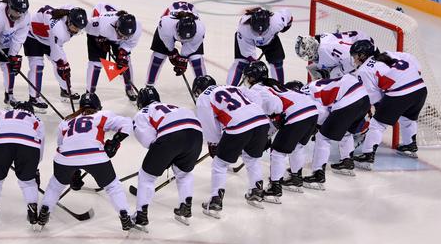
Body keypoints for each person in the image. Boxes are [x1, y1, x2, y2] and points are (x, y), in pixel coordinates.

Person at [37, 93, 135, 231]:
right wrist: (114, 142)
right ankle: (125, 215)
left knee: (55, 185)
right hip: (95, 156)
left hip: (64, 158)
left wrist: (73, 173)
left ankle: (44, 211)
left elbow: (62, 144)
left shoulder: (66, 121)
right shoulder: (102, 115)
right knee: (112, 186)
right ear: (98, 106)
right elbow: (127, 124)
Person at [240, 62, 319, 203]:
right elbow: (276, 115)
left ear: (252, 77)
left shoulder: (257, 88)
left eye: (248, 77)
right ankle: (296, 178)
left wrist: (267, 132)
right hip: (311, 111)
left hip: (297, 115)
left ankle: (275, 189)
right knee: (297, 147)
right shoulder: (271, 84)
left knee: (277, 152)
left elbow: (276, 107)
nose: (247, 80)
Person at [192, 75, 270, 213]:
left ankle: (215, 201)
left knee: (220, 164)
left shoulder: (204, 97)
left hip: (239, 125)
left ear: (199, 89)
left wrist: (214, 143)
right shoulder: (231, 86)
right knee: (252, 159)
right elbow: (257, 97)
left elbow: (209, 124)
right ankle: (256, 192)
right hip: (261, 121)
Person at [132, 86, 203, 228]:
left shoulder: (142, 113)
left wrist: (163, 158)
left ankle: (140, 216)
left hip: (172, 136)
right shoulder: (173, 106)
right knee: (184, 174)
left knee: (146, 176)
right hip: (196, 135)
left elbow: (149, 141)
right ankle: (185, 207)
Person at [351, 40, 427, 166]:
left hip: (401, 93)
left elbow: (374, 98)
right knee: (408, 118)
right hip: (421, 88)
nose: (354, 60)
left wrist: (383, 112)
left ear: (363, 55)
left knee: (377, 124)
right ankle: (409, 145)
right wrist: (412, 76)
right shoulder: (389, 53)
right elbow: (410, 58)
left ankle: (368, 155)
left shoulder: (364, 70)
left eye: (355, 56)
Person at [0, 101, 45, 232]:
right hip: (29, 145)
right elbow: (40, 144)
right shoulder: (37, 119)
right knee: (28, 182)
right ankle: (32, 212)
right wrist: (34, 167)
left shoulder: (1, 112)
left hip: (0, 142)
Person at [296, 74, 371, 189]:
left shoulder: (304, 96)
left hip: (349, 100)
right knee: (345, 131)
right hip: (364, 98)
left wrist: (318, 128)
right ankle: (347, 161)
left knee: (323, 138)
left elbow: (322, 114)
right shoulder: (312, 86)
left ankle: (318, 175)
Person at [24, 5, 88, 111]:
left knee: (64, 67)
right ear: (69, 22)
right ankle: (34, 98)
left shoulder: (70, 13)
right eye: (75, 27)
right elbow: (55, 50)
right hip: (33, 36)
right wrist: (61, 64)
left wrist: (62, 65)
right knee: (37, 66)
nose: (76, 31)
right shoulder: (60, 30)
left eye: (79, 28)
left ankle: (65, 90)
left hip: (49, 38)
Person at [85, 3, 141, 101]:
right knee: (96, 64)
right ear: (116, 26)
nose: (122, 38)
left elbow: (128, 44)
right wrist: (98, 39)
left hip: (109, 32)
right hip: (98, 33)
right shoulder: (100, 24)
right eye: (121, 34)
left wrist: (123, 53)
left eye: (125, 37)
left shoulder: (136, 29)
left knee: (125, 62)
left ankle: (129, 88)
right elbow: (86, 28)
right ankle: (89, 92)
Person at [226, 7, 293, 86]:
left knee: (277, 62)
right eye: (257, 31)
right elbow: (248, 54)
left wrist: (284, 29)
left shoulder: (276, 21)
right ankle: (229, 88)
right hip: (247, 40)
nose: (260, 34)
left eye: (262, 31)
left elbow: (289, 18)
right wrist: (256, 64)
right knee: (241, 63)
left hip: (270, 39)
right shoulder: (244, 28)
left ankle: (279, 88)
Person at [146, 1, 205, 86]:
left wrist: (182, 60)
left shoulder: (200, 29)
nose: (183, 40)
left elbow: (188, 52)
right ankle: (149, 85)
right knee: (158, 56)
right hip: (166, 32)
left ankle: (204, 88)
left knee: (196, 59)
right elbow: (169, 47)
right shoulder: (166, 24)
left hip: (186, 33)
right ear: (176, 29)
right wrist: (172, 53)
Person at [295, 30, 371, 79]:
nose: (308, 57)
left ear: (311, 50)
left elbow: (351, 61)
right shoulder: (319, 43)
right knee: (312, 68)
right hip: (355, 45)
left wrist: (333, 74)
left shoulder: (326, 48)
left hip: (365, 46)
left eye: (306, 54)